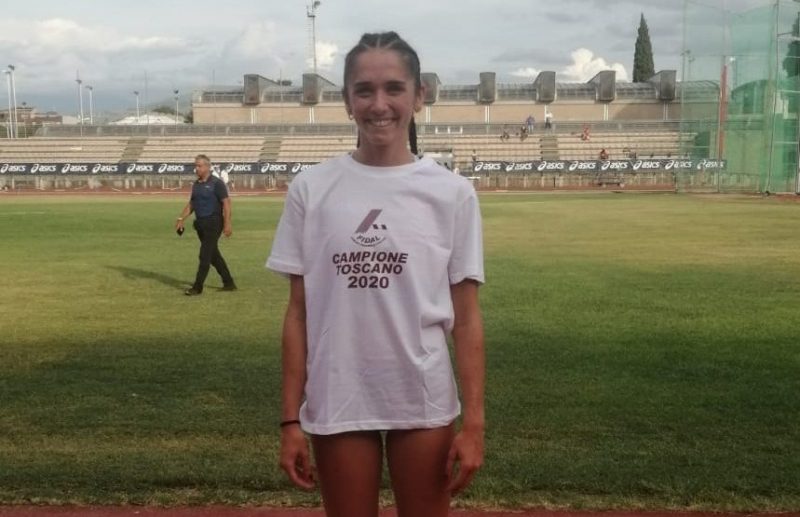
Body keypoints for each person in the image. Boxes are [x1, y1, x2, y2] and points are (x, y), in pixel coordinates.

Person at [267, 31, 485, 517]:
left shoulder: (452, 194)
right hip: (338, 393)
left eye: (394, 88)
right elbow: (298, 314)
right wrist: (289, 420)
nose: (379, 104)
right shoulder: (311, 189)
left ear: (419, 96)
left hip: (422, 394)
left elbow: (467, 318)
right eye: (364, 90)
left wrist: (474, 424)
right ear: (347, 101)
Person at [175, 154, 236, 296]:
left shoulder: (217, 183)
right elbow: (192, 204)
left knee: (204, 255)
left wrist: (227, 224)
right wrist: (181, 218)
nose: (196, 168)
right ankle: (229, 283)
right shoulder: (196, 185)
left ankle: (197, 287)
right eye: (195, 166)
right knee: (213, 255)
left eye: (199, 166)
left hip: (214, 222)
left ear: (208, 167)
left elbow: (226, 204)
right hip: (200, 224)